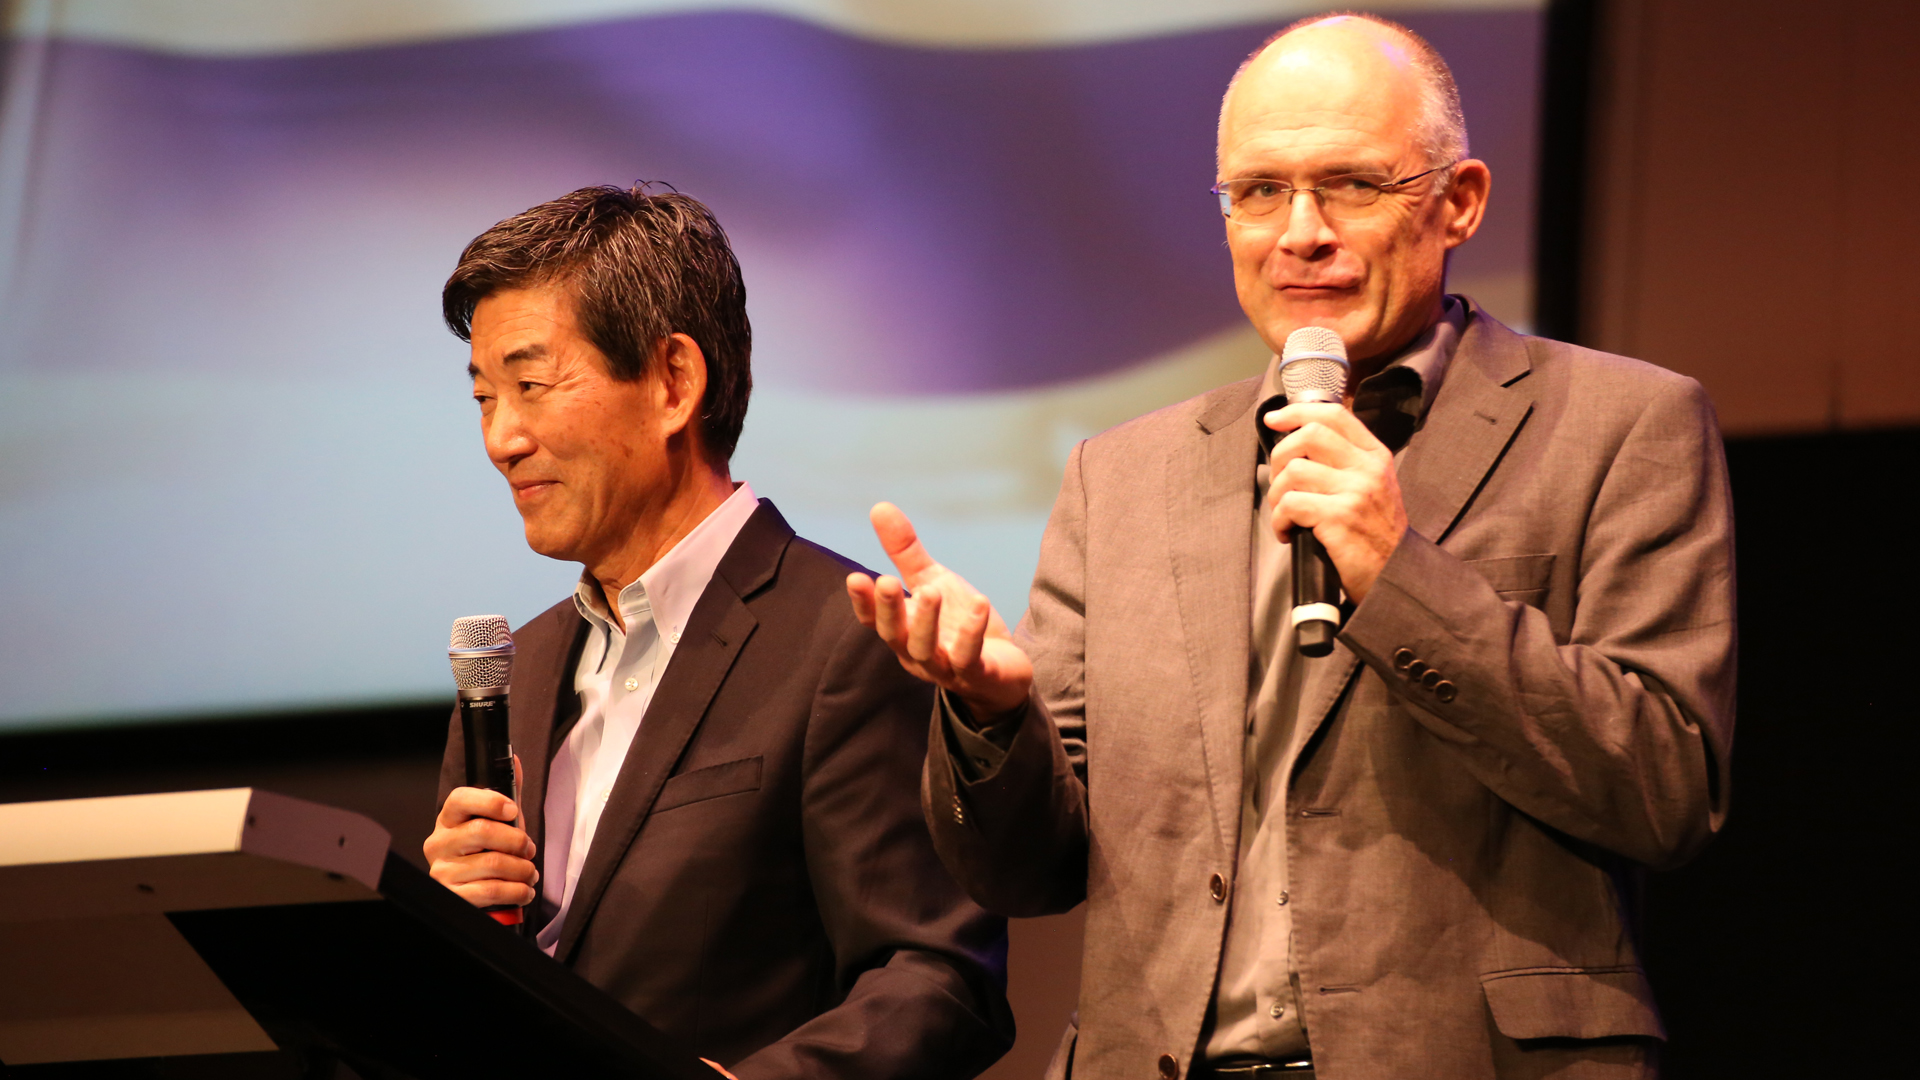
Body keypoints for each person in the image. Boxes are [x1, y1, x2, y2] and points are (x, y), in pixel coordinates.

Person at [848, 14, 1733, 1080]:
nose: (1299, 232)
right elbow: (1032, 872)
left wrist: (1401, 574)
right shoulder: (1122, 475)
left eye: (1352, 185)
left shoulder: (1621, 427)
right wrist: (990, 718)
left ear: (1460, 201)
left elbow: (1664, 786)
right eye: (1259, 192)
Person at [422, 185, 1012, 1080]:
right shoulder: (523, 670)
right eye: (483, 397)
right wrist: (452, 935)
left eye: (531, 385)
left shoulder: (842, 638)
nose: (501, 437)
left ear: (673, 382)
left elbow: (937, 978)